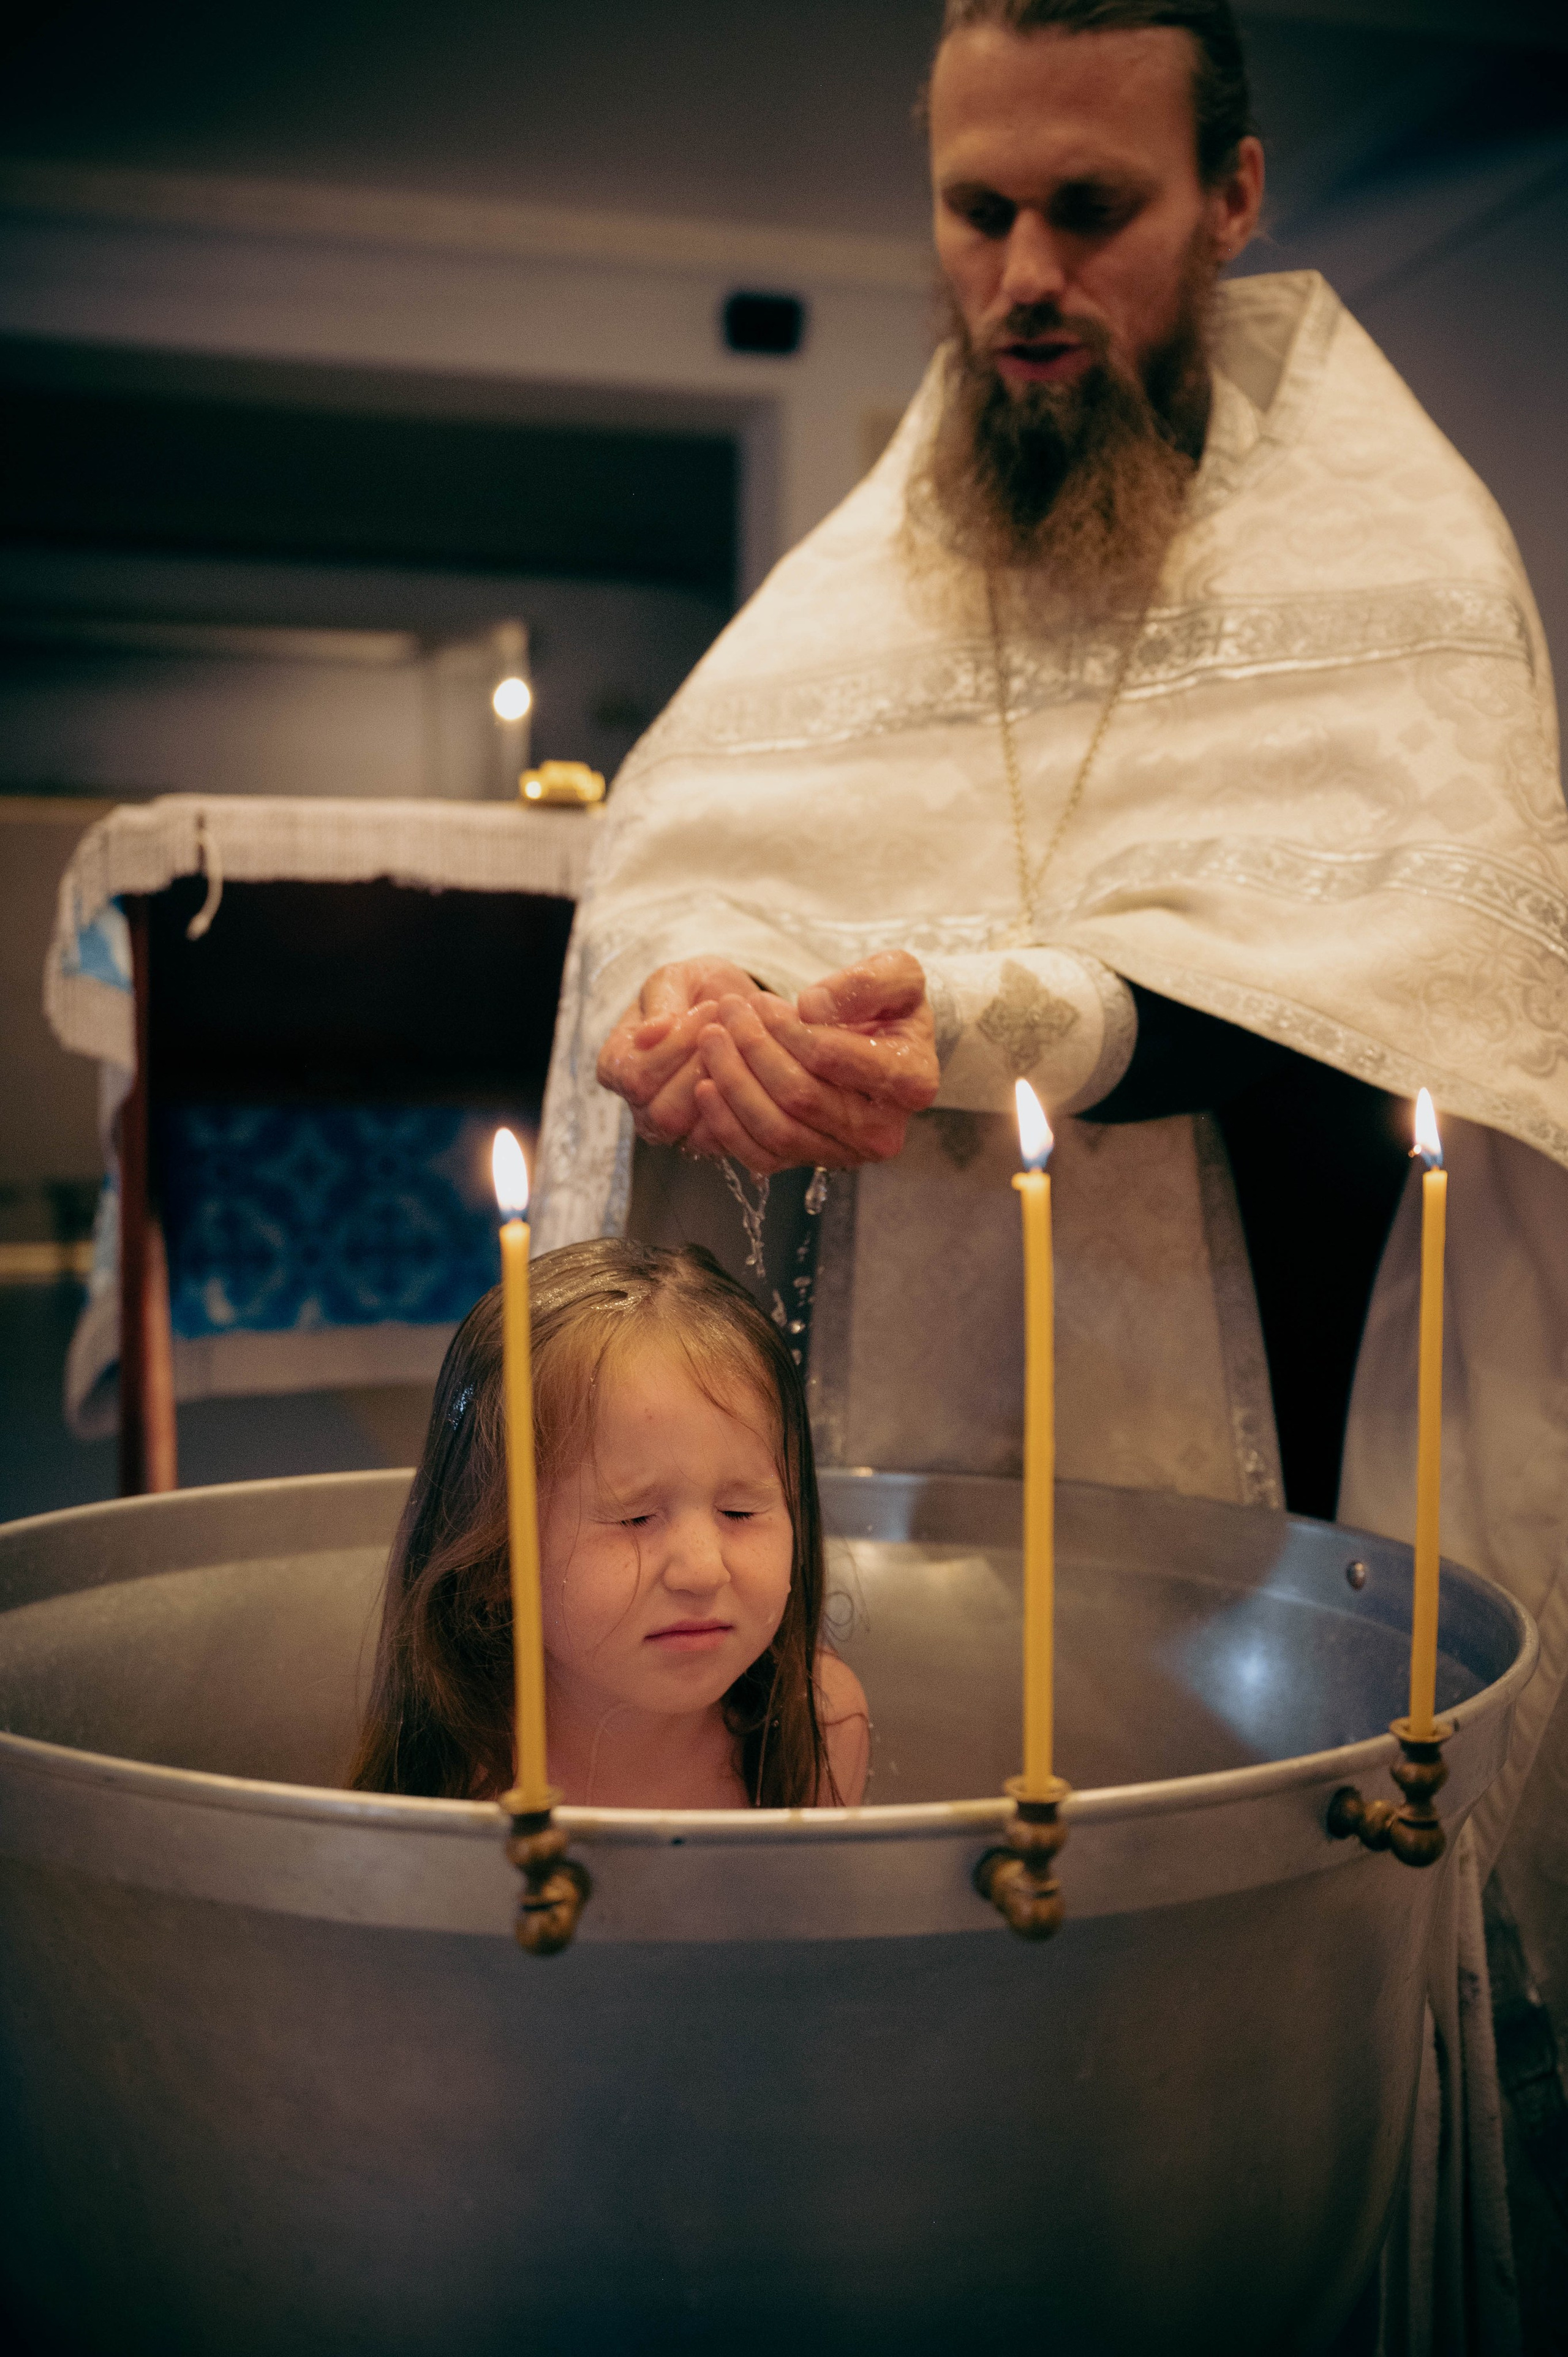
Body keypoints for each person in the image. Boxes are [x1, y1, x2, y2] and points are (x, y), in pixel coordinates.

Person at [533, 1, 1568, 2340]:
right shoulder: (877, 537)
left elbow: (1420, 971)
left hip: (1279, 1405)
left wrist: (1037, 1017)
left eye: (1084, 211)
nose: (1016, 273)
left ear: (1229, 197)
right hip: (922, 1409)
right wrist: (700, 997)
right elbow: (698, 853)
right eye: (970, 207)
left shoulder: (1391, 538)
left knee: (1231, 2043)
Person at [349, 1239, 869, 1809]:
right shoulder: (456, 1777)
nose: (702, 1570)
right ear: (491, 1565)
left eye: (740, 1511)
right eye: (635, 1517)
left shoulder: (820, 1724)